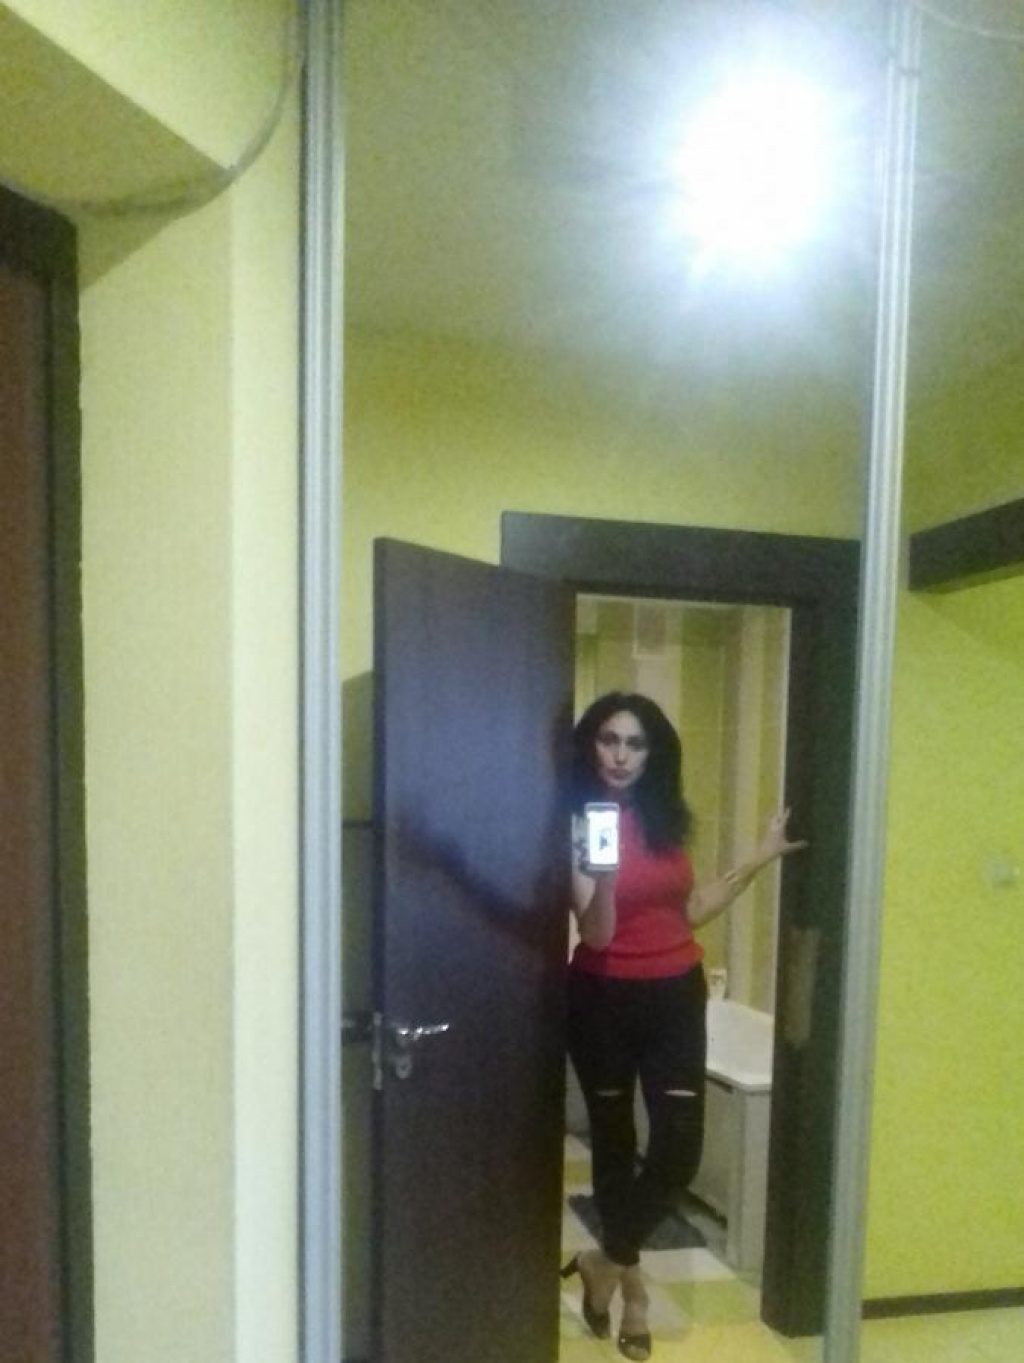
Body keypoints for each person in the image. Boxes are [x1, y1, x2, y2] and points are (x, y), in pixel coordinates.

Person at [559, 691, 806, 1361]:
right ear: (591, 745)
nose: (620, 754)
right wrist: (602, 879)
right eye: (609, 739)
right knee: (614, 1145)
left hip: (674, 995)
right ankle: (633, 1293)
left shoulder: (666, 819)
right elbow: (598, 934)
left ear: (653, 753)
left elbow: (691, 908)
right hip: (602, 997)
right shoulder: (578, 824)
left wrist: (761, 855)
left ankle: (601, 1263)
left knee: (678, 1150)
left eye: (634, 743)